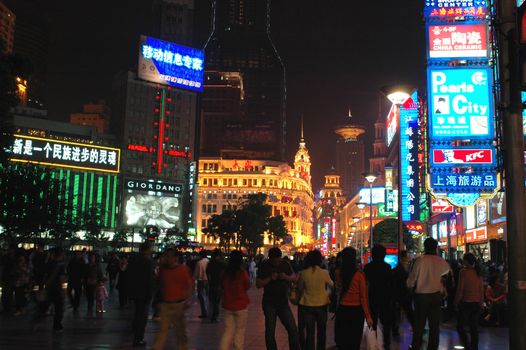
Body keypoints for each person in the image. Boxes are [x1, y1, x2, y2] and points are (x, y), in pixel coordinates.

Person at [407, 237, 450, 350]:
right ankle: (433, 347)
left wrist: (410, 287)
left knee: (419, 326)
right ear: (435, 247)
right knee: (434, 326)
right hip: (436, 296)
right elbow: (446, 272)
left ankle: (416, 346)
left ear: (425, 247)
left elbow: (412, 279)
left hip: (421, 297)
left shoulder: (420, 260)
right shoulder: (441, 261)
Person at [256, 247, 301, 350]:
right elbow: (258, 284)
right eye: (274, 261)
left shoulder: (285, 264)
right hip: (269, 302)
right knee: (270, 331)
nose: (277, 263)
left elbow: (294, 278)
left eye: (278, 260)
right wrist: (270, 278)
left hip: (283, 302)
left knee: (292, 329)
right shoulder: (264, 265)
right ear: (270, 258)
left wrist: (285, 277)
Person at [151, 249, 193, 350]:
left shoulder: (182, 269)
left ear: (176, 258)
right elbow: (158, 284)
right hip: (166, 304)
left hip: (178, 304)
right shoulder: (163, 270)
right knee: (163, 332)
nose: (168, 259)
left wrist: (188, 298)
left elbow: (189, 285)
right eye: (167, 256)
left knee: (180, 332)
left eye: (170, 256)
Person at [334, 247, 372, 350]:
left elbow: (338, 289)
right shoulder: (359, 275)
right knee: (354, 341)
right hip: (356, 311)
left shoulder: (338, 273)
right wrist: (368, 316)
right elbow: (363, 297)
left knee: (343, 340)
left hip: (343, 309)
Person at [296, 249, 333, 350]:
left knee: (310, 332)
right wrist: (327, 292)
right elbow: (332, 286)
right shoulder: (324, 273)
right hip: (322, 305)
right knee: (322, 332)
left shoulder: (304, 273)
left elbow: (299, 288)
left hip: (307, 305)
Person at [364, 245, 394, 350]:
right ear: (384, 255)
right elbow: (390, 283)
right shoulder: (387, 267)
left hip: (373, 296)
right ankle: (387, 344)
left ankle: (373, 343)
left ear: (372, 255)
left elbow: (366, 283)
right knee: (386, 322)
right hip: (385, 297)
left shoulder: (367, 267)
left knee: (373, 322)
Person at [219, 250, 250, 350]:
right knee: (240, 331)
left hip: (228, 304)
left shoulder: (225, 273)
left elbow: (222, 286)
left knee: (228, 331)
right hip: (240, 305)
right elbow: (247, 286)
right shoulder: (242, 273)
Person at [128, 242, 155, 347]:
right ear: (147, 249)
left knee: (137, 313)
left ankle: (135, 331)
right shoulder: (147, 261)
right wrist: (150, 293)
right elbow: (148, 279)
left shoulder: (133, 259)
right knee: (142, 316)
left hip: (135, 291)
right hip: (144, 292)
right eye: (151, 248)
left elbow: (129, 275)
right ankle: (138, 338)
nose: (152, 250)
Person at [455, 253, 484, 350]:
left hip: (466, 303)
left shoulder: (463, 272)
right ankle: (474, 347)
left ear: (467, 261)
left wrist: (456, 301)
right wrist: (481, 303)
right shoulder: (478, 272)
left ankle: (467, 346)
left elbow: (460, 289)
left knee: (460, 326)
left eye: (463, 259)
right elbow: (481, 291)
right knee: (474, 327)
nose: (462, 261)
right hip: (476, 303)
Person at [392, 251, 414, 336]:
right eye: (406, 256)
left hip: (400, 294)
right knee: (409, 313)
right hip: (403, 294)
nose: (408, 258)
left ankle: (395, 329)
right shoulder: (407, 269)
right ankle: (415, 329)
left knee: (399, 313)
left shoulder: (396, 270)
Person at [45, 248, 67, 331]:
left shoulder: (49, 264)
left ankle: (37, 322)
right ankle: (57, 326)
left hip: (49, 288)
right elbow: (62, 278)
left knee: (45, 306)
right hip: (57, 289)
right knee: (59, 308)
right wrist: (64, 289)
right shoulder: (61, 265)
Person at [207, 248, 226, 323]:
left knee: (212, 301)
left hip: (212, 284)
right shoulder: (223, 263)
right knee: (217, 302)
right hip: (219, 284)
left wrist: (209, 281)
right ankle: (215, 316)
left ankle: (212, 316)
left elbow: (208, 274)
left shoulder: (210, 263)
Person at [194, 250, 209, 319]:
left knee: (202, 297)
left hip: (201, 281)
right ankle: (208, 312)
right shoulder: (209, 262)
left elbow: (196, 274)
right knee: (208, 297)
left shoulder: (199, 263)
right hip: (208, 281)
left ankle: (204, 312)